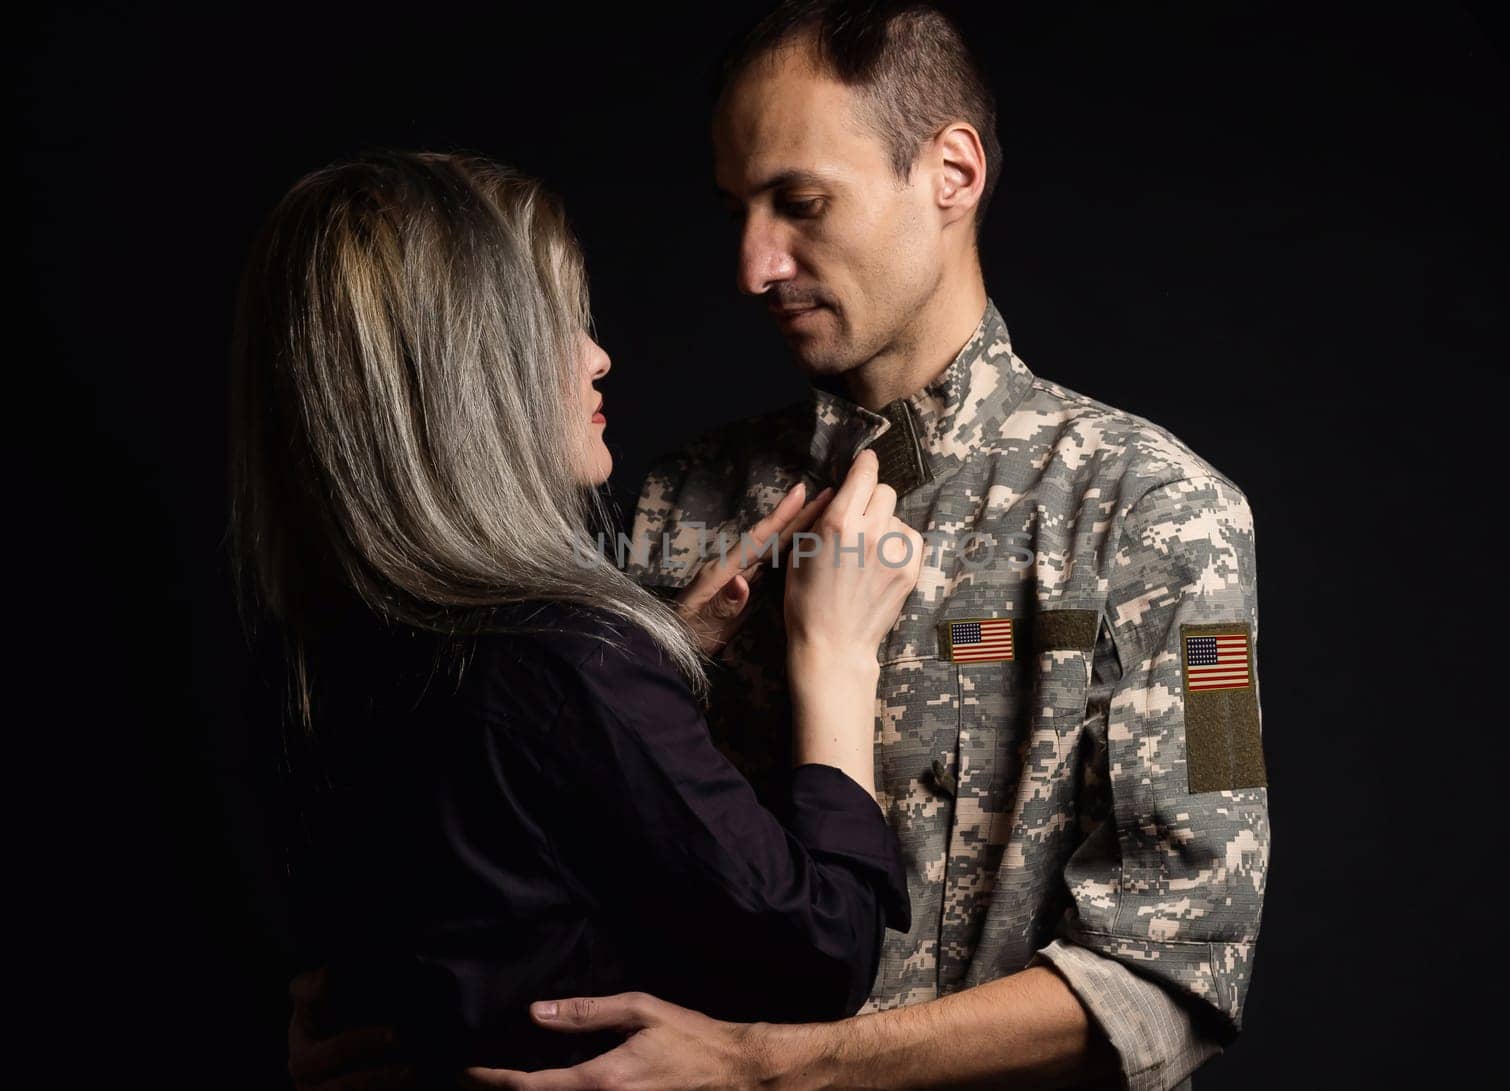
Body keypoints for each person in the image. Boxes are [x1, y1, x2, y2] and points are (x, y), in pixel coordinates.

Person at [291, 3, 1270, 1089]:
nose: (755, 265)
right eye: (737, 211)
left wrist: (777, 1064)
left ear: (951, 172)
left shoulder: (1161, 512)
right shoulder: (668, 504)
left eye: (800, 204)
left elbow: (1175, 971)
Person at [230, 149, 928, 1081]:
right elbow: (820, 952)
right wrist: (833, 654)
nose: (599, 356)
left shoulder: (328, 640)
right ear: (472, 373)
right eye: (557, 326)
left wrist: (664, 646)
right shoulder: (568, 647)